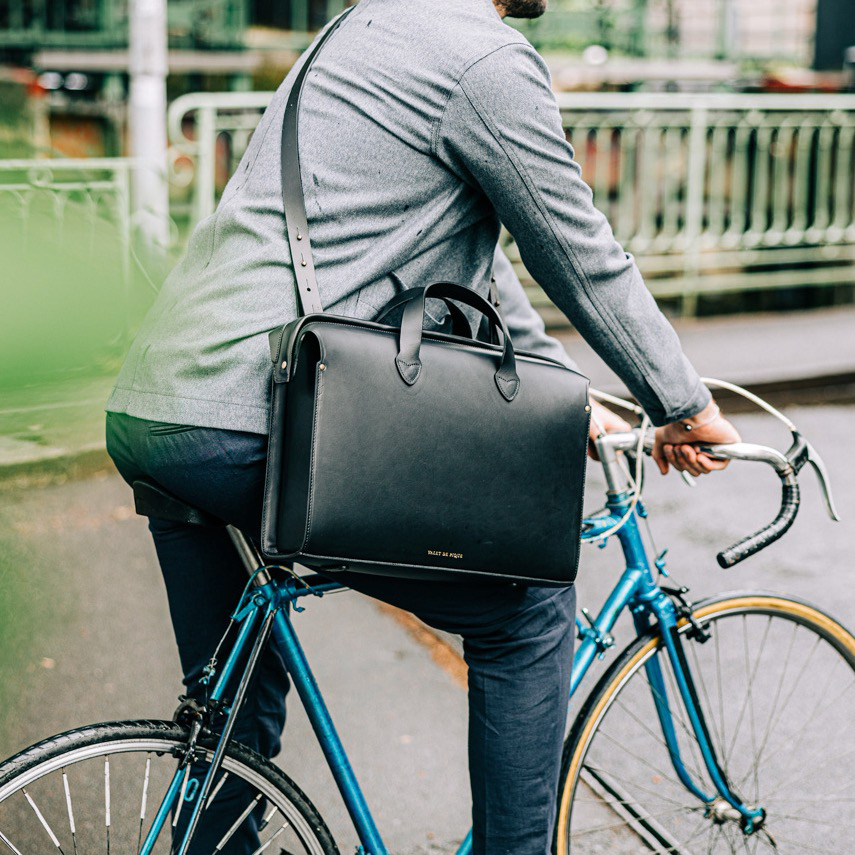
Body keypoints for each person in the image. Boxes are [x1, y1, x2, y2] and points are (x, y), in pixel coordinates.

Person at [105, 0, 740, 851]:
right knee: (528, 616)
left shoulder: (366, 28)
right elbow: (576, 249)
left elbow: (468, 263)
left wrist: (562, 387)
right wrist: (682, 403)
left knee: (233, 718)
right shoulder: (484, 60)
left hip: (158, 403)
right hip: (252, 416)